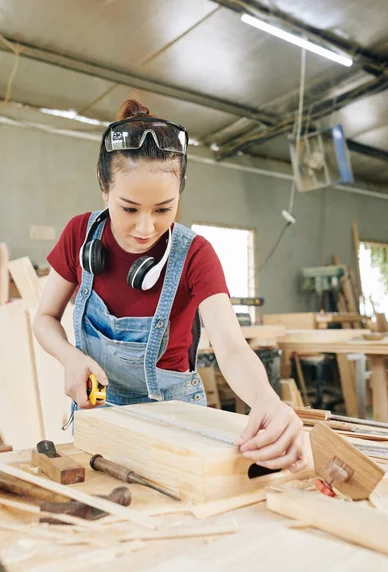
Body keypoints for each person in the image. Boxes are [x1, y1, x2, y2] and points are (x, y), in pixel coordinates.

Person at [33, 99, 306, 472]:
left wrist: (267, 400)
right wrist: (70, 357)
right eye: (129, 208)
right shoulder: (79, 235)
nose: (145, 228)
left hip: (177, 418)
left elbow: (232, 348)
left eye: (163, 209)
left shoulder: (195, 255)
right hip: (100, 416)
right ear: (103, 187)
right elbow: (45, 317)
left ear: (180, 192)